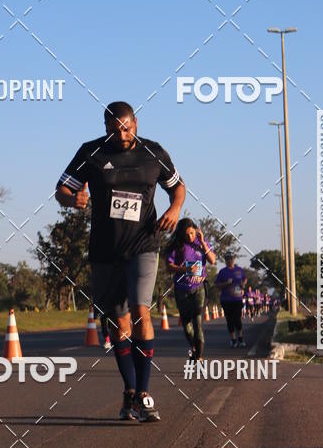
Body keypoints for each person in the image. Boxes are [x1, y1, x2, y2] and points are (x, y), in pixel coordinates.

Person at [56, 101, 185, 422]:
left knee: (142, 311)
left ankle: (143, 393)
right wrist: (72, 199)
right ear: (106, 128)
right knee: (118, 323)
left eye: (126, 128)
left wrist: (174, 209)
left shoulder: (154, 152)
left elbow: (178, 187)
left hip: (144, 244)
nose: (122, 135)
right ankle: (130, 391)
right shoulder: (91, 152)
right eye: (114, 130)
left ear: (135, 123)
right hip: (104, 250)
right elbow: (61, 189)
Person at [166, 218, 215, 362]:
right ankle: (194, 348)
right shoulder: (177, 246)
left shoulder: (201, 243)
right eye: (187, 234)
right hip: (182, 290)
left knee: (198, 322)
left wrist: (203, 243)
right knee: (187, 327)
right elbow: (169, 266)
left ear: (196, 230)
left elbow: (212, 260)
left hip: (199, 289)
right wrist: (186, 269)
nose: (190, 237)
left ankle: (199, 357)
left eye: (192, 233)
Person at [215, 252, 247, 348]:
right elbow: (217, 285)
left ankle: (240, 338)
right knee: (230, 320)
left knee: (237, 319)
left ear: (234, 258)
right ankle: (233, 339)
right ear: (225, 260)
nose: (229, 260)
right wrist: (226, 283)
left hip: (237, 299)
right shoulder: (222, 272)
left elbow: (245, 278)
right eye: (227, 258)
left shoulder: (239, 270)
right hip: (226, 300)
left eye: (231, 258)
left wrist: (243, 284)